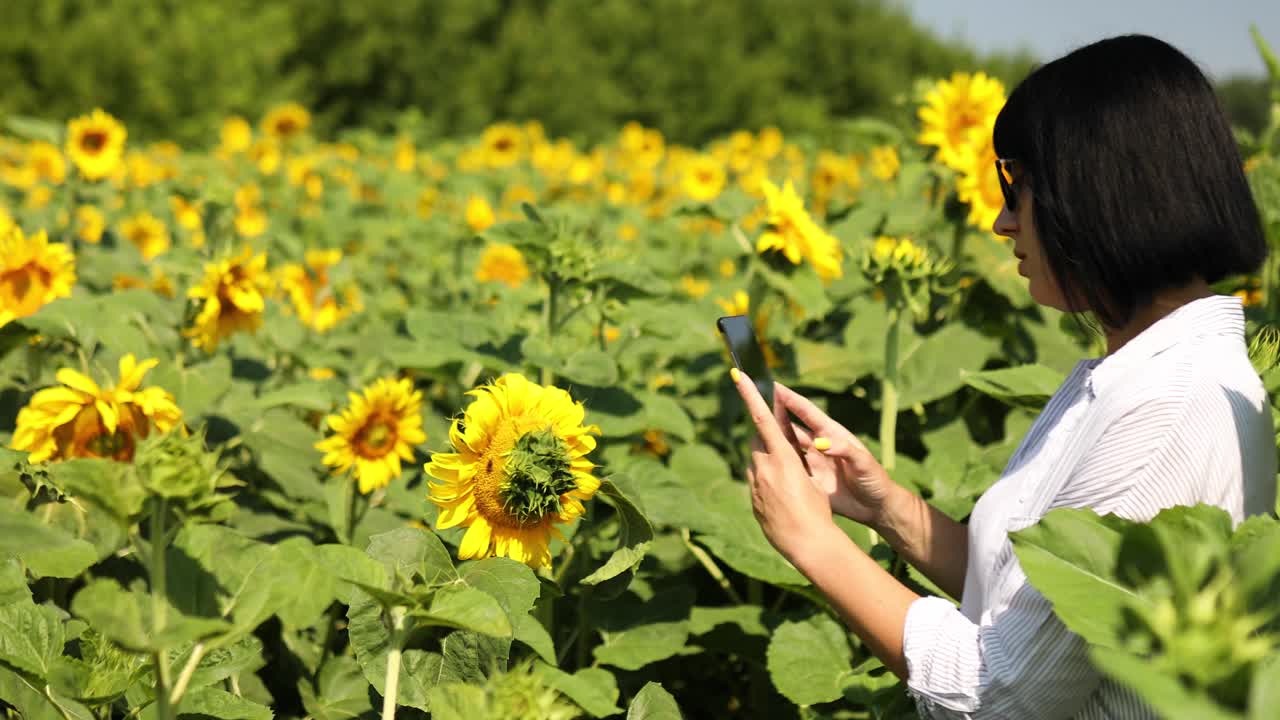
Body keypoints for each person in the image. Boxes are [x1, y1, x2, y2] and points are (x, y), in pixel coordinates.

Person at [731, 34, 1276, 719]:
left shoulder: (1167, 409)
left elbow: (1003, 693)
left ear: (1104, 196)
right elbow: (1040, 600)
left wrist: (812, 542)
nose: (1000, 220)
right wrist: (883, 507)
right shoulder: (1144, 371)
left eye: (1018, 189)